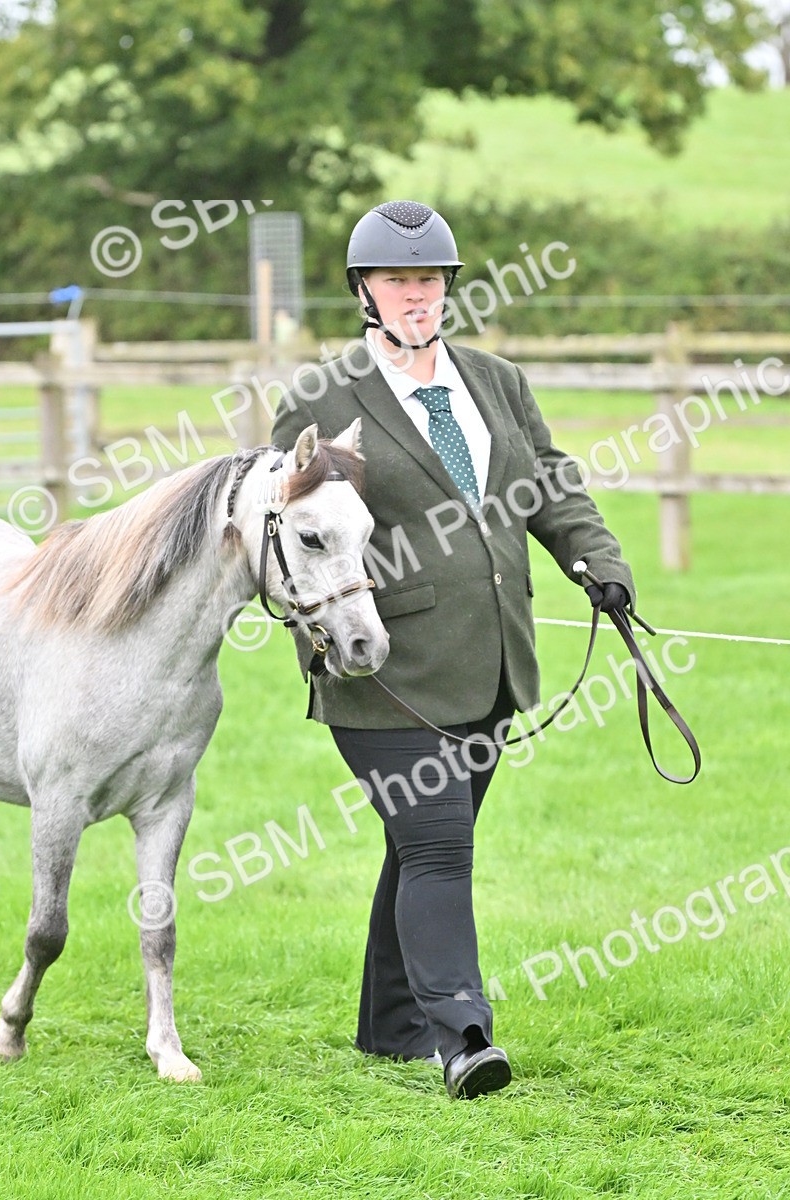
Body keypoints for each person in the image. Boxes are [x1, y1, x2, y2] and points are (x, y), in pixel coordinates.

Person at [271, 200, 634, 1099]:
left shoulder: (496, 380)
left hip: (491, 662)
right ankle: (462, 1036)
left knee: (420, 845)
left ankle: (386, 1023)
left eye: (429, 279)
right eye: (398, 280)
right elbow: (295, 530)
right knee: (439, 845)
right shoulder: (326, 400)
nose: (416, 295)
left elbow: (550, 486)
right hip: (381, 669)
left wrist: (600, 563)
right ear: (364, 291)